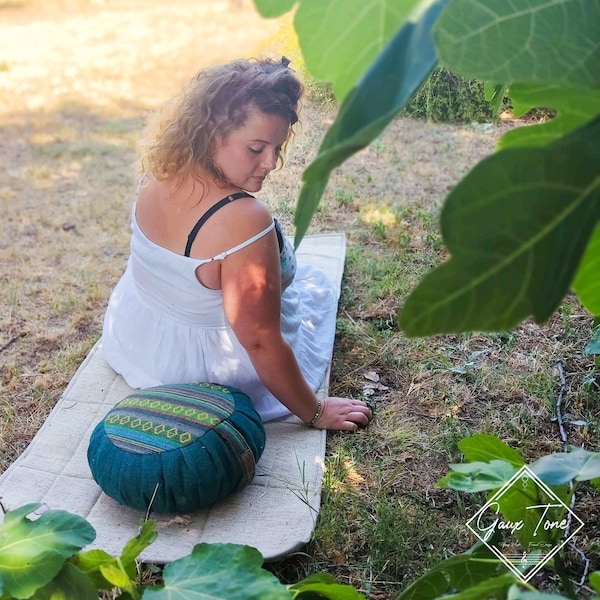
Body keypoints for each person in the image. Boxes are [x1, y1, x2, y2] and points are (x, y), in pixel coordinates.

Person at [102, 57, 372, 432]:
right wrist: (315, 411)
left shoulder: (159, 172)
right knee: (309, 298)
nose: (272, 163)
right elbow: (260, 340)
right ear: (211, 131)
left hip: (138, 338)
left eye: (277, 148)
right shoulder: (244, 220)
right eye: (256, 148)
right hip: (209, 369)